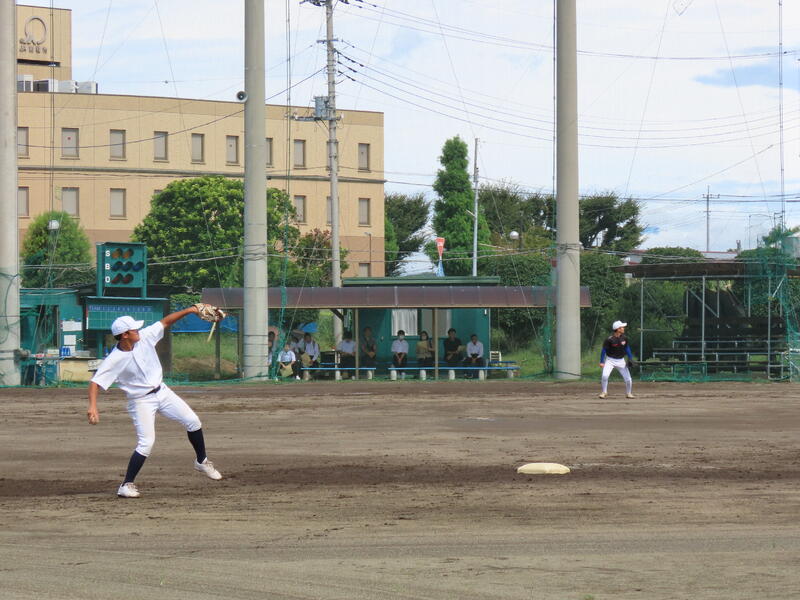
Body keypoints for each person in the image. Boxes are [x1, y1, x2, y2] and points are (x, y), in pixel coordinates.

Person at [87, 305, 223, 498]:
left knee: (193, 421)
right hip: (141, 401)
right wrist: (93, 407)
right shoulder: (114, 359)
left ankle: (202, 461)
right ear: (124, 335)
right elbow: (95, 383)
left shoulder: (145, 336)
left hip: (163, 392)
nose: (138, 330)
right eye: (134, 329)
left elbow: (166, 321)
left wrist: (191, 310)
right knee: (146, 443)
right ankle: (126, 485)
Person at [599, 320, 635, 399]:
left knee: (628, 379)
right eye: (622, 327)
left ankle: (628, 393)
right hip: (610, 360)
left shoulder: (624, 338)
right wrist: (602, 361)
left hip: (621, 361)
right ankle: (604, 392)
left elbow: (627, 348)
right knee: (605, 376)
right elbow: (604, 350)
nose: (623, 328)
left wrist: (630, 358)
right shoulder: (609, 339)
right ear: (618, 329)